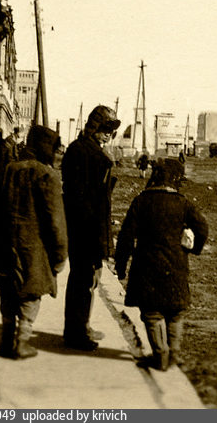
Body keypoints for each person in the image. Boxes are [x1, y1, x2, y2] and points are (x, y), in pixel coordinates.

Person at [115, 158, 209, 370]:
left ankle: (160, 355)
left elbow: (126, 237)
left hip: (146, 265)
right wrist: (194, 248)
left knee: (152, 311)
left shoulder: (141, 201)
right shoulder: (183, 203)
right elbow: (202, 226)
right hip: (176, 264)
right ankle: (173, 353)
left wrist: (121, 266)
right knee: (175, 311)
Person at [0, 125, 67, 359]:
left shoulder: (8, 170)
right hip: (35, 247)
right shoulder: (47, 175)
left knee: (8, 290)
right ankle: (22, 341)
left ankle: (5, 338)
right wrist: (61, 254)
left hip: (5, 243)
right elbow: (56, 220)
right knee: (30, 295)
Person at [60, 105, 120, 351]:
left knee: (90, 278)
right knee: (83, 280)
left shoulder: (86, 149)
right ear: (94, 126)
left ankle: (80, 325)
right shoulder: (82, 151)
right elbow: (81, 197)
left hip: (89, 226)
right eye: (105, 129)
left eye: (111, 131)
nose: (109, 135)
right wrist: (95, 231)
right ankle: (75, 333)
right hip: (85, 228)